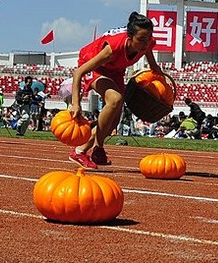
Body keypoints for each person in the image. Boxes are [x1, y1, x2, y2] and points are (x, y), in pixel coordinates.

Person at [69, 11, 163, 169]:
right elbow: (78, 72)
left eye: (148, 39)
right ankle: (83, 150)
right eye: (141, 40)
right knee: (115, 99)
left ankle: (95, 149)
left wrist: (155, 69)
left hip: (116, 71)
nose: (145, 44)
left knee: (113, 121)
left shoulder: (146, 42)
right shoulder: (113, 49)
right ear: (130, 37)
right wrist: (76, 104)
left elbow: (147, 51)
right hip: (95, 66)